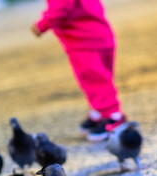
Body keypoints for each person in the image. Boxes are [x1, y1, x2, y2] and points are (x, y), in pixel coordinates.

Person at [31, 0, 128, 142]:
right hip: (101, 36)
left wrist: (41, 25)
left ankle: (113, 116)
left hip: (82, 42)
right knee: (101, 78)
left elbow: (61, 9)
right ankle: (99, 111)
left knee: (95, 81)